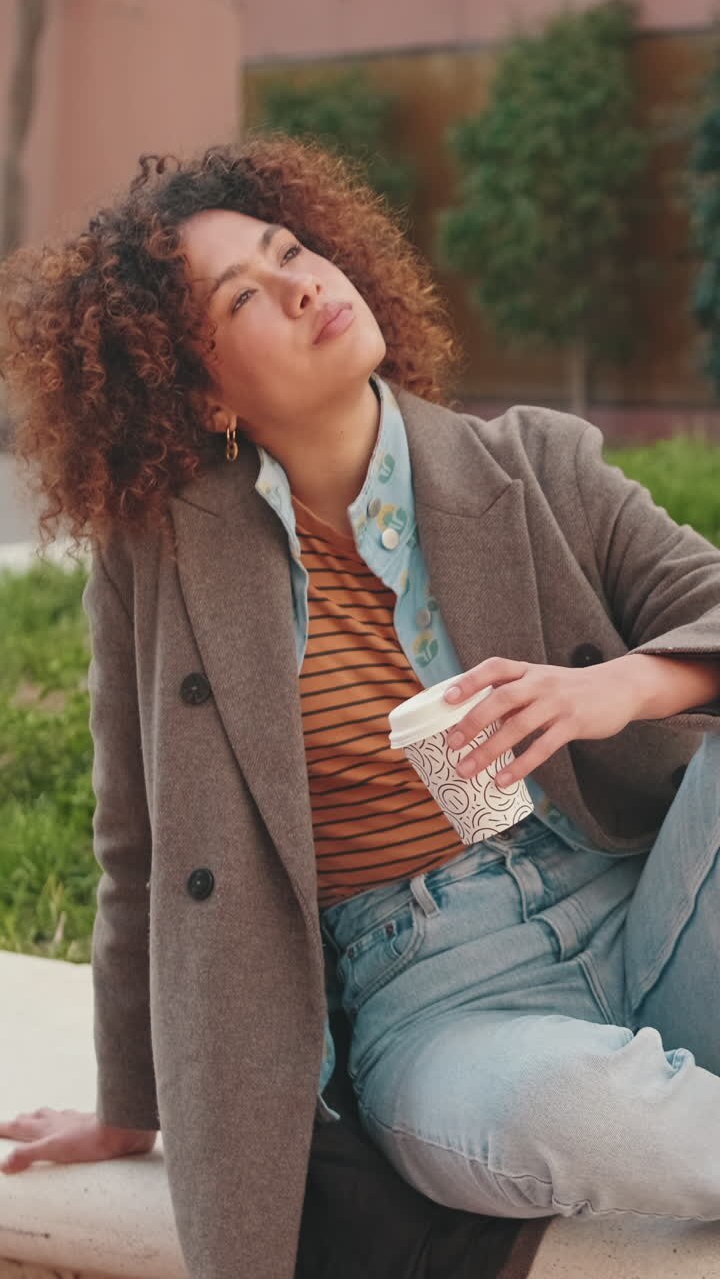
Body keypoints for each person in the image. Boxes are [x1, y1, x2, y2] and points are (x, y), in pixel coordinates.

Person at [0, 136, 719, 1279]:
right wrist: (128, 1105)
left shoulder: (536, 462)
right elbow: (140, 843)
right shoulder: (163, 567)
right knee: (570, 1109)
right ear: (198, 387)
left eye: (292, 249)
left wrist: (614, 686)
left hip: (651, 906)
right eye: (246, 293)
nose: (302, 281)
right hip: (441, 1001)